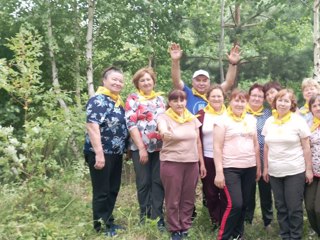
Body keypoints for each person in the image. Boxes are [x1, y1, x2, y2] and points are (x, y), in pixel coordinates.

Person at [84, 66, 129, 236]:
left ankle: (109, 222)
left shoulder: (116, 101)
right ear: (104, 81)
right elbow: (92, 126)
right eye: (114, 79)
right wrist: (99, 154)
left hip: (115, 153)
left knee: (112, 188)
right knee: (102, 190)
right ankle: (100, 227)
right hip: (100, 152)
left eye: (120, 80)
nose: (118, 83)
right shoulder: (98, 100)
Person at [262, 89, 313, 240]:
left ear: (291, 104)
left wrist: (308, 169)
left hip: (294, 170)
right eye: (280, 100)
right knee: (281, 206)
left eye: (286, 101)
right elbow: (266, 146)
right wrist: (266, 168)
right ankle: (285, 235)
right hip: (275, 171)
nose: (282, 103)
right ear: (275, 102)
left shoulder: (298, 121)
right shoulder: (269, 121)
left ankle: (295, 236)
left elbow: (306, 147)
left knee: (294, 207)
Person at [157, 89, 206, 240]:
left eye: (182, 100)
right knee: (173, 197)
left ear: (186, 101)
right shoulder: (163, 117)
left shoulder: (192, 118)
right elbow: (162, 130)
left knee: (188, 197)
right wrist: (165, 134)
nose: (179, 103)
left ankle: (185, 226)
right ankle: (174, 229)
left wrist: (201, 164)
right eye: (175, 100)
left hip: (191, 163)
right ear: (169, 102)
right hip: (172, 163)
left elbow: (198, 142)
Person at [213, 89, 261, 240]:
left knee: (245, 204)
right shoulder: (222, 120)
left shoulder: (251, 119)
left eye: (242, 101)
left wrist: (258, 166)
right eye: (236, 100)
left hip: (249, 167)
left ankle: (238, 235)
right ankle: (224, 236)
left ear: (246, 103)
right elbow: (217, 147)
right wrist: (219, 172)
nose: (240, 104)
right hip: (230, 168)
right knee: (235, 204)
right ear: (230, 102)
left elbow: (255, 145)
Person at [125, 67, 165, 230]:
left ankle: (158, 218)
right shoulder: (133, 99)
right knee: (143, 182)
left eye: (149, 79)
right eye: (142, 80)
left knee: (158, 182)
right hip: (139, 148)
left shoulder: (160, 100)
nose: (146, 82)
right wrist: (141, 148)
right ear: (137, 83)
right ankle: (145, 216)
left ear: (153, 81)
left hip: (159, 149)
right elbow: (131, 124)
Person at [170, 42, 240, 114]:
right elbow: (176, 81)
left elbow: (229, 82)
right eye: (198, 80)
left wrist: (233, 63)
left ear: (209, 82)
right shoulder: (187, 93)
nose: (201, 83)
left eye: (204, 80)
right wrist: (175, 61)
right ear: (192, 82)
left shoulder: (214, 94)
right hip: (191, 124)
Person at [196, 85, 227, 230]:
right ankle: (215, 221)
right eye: (213, 96)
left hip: (227, 159)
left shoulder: (229, 114)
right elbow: (198, 141)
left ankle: (226, 221)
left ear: (224, 98)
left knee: (226, 192)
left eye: (219, 96)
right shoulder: (201, 115)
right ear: (207, 98)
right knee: (211, 192)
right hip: (207, 158)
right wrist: (201, 163)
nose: (216, 99)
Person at [245, 83, 273, 229]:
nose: (256, 98)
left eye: (260, 96)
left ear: (263, 99)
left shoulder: (269, 114)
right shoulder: (241, 112)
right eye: (254, 95)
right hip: (247, 159)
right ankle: (247, 219)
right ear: (249, 97)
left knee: (266, 191)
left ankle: (268, 221)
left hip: (265, 158)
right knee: (248, 191)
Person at [305, 93, 320, 237]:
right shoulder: (307, 126)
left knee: (318, 209)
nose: (317, 108)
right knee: (309, 207)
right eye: (314, 105)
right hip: (312, 172)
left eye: (319, 104)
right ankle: (316, 230)